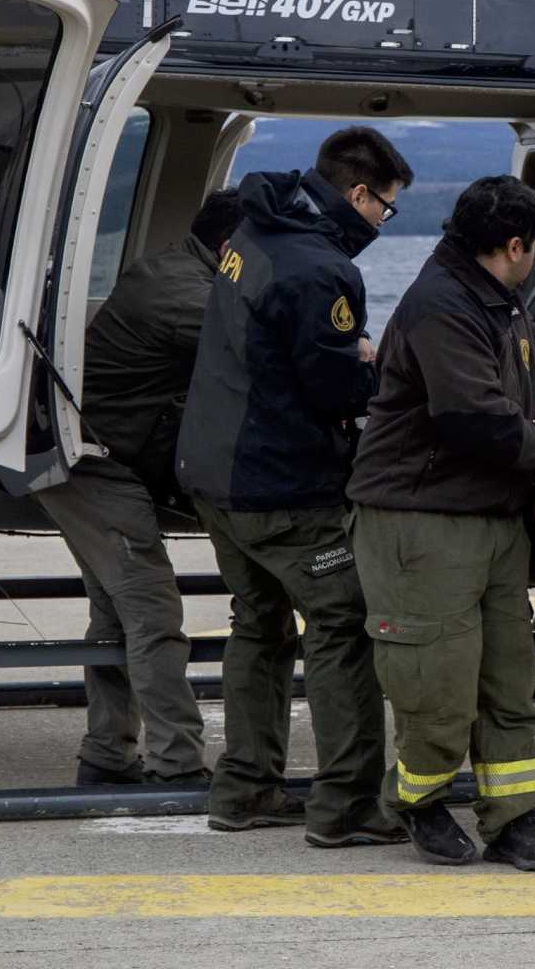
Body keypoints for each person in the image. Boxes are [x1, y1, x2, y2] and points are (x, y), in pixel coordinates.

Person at [175, 127, 412, 847]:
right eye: (384, 210)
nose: (381, 224)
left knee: (260, 623)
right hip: (281, 486)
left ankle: (243, 788)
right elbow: (332, 387)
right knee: (342, 628)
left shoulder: (255, 225)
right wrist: (367, 363)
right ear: (358, 194)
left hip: (212, 475)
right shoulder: (321, 270)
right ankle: (346, 805)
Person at [346, 175, 535, 872]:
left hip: (490, 518)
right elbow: (476, 420)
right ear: (512, 246)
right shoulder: (441, 305)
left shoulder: (486, 291)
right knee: (434, 685)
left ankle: (515, 818)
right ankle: (419, 801)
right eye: (532, 247)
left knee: (507, 680)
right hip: (423, 520)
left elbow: (526, 335)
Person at [37, 189, 243, 788]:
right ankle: (177, 765)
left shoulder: (177, 269)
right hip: (95, 464)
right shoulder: (184, 292)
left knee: (115, 614)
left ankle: (105, 756)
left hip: (100, 455)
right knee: (151, 610)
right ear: (231, 250)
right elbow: (252, 347)